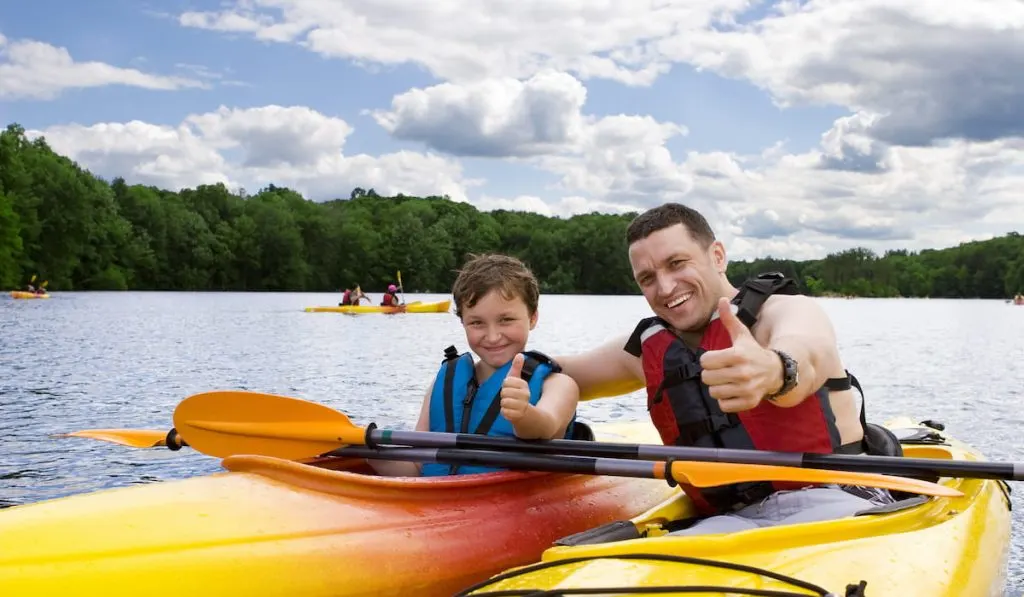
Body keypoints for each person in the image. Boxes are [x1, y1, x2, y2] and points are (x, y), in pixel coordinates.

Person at [554, 202, 899, 536]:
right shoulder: (646, 349)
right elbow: (564, 372)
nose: (665, 287)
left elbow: (806, 354)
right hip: (728, 520)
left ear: (717, 256)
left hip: (834, 501)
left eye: (677, 263)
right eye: (647, 278)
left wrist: (773, 371)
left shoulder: (784, 311)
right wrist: (506, 346)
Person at [369, 254, 581, 477]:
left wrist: (523, 414)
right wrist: (366, 451)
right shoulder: (444, 382)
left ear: (533, 318)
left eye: (506, 320)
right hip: (439, 501)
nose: (492, 336)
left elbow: (547, 426)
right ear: (463, 323)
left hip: (515, 503)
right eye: (477, 323)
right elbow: (416, 467)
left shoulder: (560, 386)